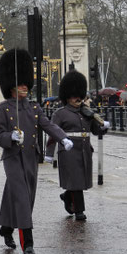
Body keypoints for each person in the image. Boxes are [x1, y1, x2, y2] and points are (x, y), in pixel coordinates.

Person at [0, 49, 73, 254]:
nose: (24, 88)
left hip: (30, 157)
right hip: (12, 158)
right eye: (20, 85)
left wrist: (63, 138)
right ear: (11, 87)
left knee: (23, 197)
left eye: (26, 85)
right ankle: (27, 243)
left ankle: (6, 228)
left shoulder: (34, 108)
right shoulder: (2, 109)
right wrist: (10, 137)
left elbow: (48, 126)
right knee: (20, 196)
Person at [45, 71, 110, 220]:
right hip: (68, 152)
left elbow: (95, 131)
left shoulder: (87, 112)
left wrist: (104, 127)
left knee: (80, 181)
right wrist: (49, 153)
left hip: (84, 151)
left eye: (79, 95)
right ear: (67, 97)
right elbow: (53, 133)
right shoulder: (60, 114)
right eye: (74, 96)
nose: (78, 98)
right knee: (75, 181)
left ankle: (67, 196)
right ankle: (79, 211)